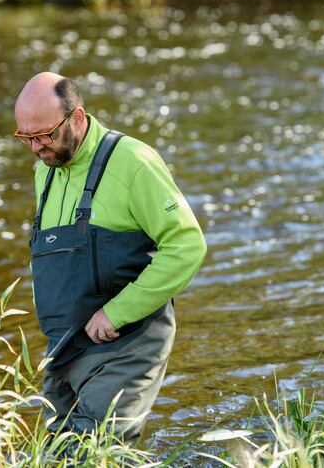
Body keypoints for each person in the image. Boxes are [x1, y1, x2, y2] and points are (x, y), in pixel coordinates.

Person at [13, 72, 207, 440]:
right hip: (65, 348)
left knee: (99, 452)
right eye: (25, 137)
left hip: (125, 344)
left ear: (78, 118)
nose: (36, 147)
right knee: (57, 453)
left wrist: (116, 313)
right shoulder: (47, 170)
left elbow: (187, 245)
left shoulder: (134, 162)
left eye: (44, 135)